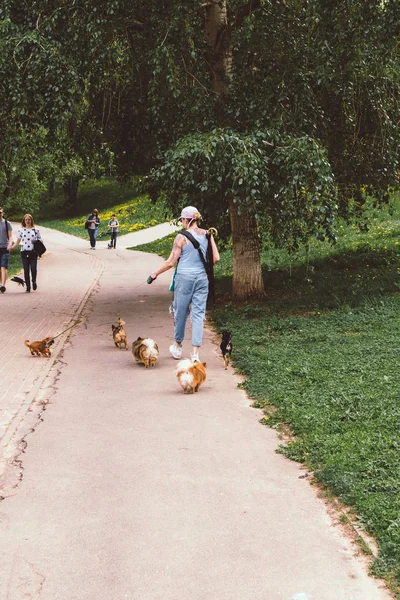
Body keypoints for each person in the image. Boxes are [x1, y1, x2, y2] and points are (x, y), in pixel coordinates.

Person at [147, 206, 220, 363]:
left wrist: (155, 274)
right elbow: (215, 259)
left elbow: (171, 262)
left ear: (187, 220)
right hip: (202, 279)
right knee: (198, 315)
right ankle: (195, 354)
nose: (182, 223)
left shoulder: (181, 237)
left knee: (180, 312)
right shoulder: (208, 235)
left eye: (182, 220)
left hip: (184, 279)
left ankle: (178, 347)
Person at [9, 214, 42, 293]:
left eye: (29, 220)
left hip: (33, 252)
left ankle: (34, 281)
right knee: (26, 270)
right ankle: (28, 286)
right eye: (26, 220)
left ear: (31, 220)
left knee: (33, 269)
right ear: (24, 221)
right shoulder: (21, 230)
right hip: (24, 251)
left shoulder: (36, 230)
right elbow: (18, 241)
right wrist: (12, 247)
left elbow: (40, 241)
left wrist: (36, 241)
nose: (27, 221)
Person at [0, 207, 13, 293]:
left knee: (3, 266)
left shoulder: (6, 223)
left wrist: (10, 244)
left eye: (0, 212)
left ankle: (3, 285)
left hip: (5, 248)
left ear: (2, 213)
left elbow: (10, 236)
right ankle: (1, 284)